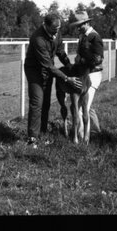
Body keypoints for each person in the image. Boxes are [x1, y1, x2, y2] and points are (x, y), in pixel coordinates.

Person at [23, 13, 77, 145]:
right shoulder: (37, 38)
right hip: (35, 71)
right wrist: (66, 78)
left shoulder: (56, 32)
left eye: (59, 28)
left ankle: (42, 133)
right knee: (37, 102)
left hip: (48, 70)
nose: (57, 31)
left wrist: (69, 65)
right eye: (54, 28)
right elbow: (47, 65)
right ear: (45, 25)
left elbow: (60, 52)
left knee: (46, 103)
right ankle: (32, 138)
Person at [66, 9, 104, 134]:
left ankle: (82, 136)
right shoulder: (83, 36)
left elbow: (98, 59)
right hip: (84, 73)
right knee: (87, 104)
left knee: (82, 107)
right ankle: (97, 131)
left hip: (93, 73)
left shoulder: (95, 36)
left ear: (86, 23)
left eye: (79, 25)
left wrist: (82, 60)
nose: (77, 28)